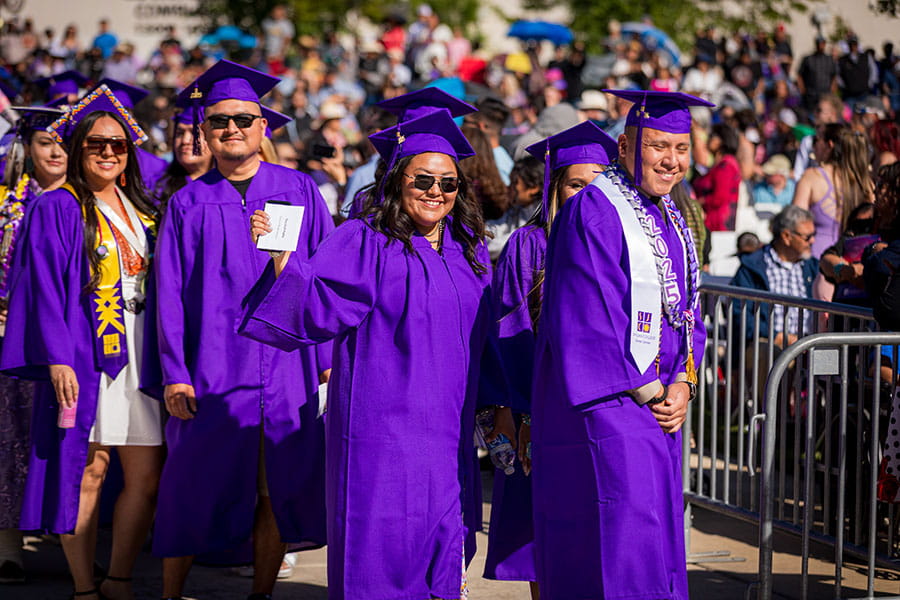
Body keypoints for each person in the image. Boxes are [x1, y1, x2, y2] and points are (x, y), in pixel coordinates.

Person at [239, 99, 492, 600]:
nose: (435, 191)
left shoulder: (469, 249)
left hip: (447, 430)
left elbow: (489, 334)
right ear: (398, 179)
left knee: (444, 548)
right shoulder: (366, 239)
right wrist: (283, 260)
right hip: (384, 432)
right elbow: (315, 301)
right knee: (382, 550)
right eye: (422, 179)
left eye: (448, 182)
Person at [151, 60, 331, 600]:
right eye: (220, 122)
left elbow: (325, 277)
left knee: (275, 487)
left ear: (264, 126)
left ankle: (261, 594)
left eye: (244, 120)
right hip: (212, 369)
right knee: (190, 484)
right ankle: (169, 594)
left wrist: (325, 360)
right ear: (203, 130)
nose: (233, 129)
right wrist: (175, 373)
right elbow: (169, 295)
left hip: (286, 367)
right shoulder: (187, 203)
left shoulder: (298, 189)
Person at [530, 90, 709, 599]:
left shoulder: (669, 215)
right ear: (626, 145)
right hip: (612, 402)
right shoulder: (594, 210)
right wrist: (651, 389)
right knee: (622, 533)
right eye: (657, 146)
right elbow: (588, 314)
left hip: (658, 404)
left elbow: (687, 307)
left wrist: (683, 380)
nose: (670, 160)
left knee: (654, 532)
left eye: (680, 147)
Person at [0, 86, 162, 600]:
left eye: (117, 144)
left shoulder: (141, 207)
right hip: (89, 355)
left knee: (145, 472)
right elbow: (44, 286)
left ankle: (119, 576)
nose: (108, 152)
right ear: (78, 148)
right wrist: (56, 357)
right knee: (89, 468)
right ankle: (84, 586)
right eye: (96, 144)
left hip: (143, 354)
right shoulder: (59, 205)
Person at [484, 121, 618, 599]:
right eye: (576, 184)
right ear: (555, 187)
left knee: (598, 527)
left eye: (599, 183)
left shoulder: (620, 248)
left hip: (601, 410)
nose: (587, 194)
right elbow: (512, 335)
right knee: (543, 529)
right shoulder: (531, 244)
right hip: (540, 408)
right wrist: (520, 411)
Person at [0, 105, 67, 584]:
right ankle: (8, 551)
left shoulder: (82, 203)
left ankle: (71, 546)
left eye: (65, 141)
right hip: (11, 341)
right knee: (9, 443)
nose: (57, 150)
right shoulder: (7, 206)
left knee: (57, 443)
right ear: (28, 148)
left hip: (67, 341)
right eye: (47, 142)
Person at [793, 125, 875, 299]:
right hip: (855, 268)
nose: (814, 146)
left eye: (817, 141)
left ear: (830, 145)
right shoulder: (865, 183)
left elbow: (795, 222)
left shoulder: (812, 177)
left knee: (817, 324)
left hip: (819, 267)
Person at [730, 205, 818, 343]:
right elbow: (739, 313)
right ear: (787, 236)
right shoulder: (753, 266)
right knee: (767, 354)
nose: (813, 241)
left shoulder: (813, 267)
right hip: (766, 342)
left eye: (814, 235)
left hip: (809, 345)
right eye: (807, 237)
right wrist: (776, 336)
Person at [153, 101, 211, 211]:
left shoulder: (228, 186)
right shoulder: (157, 188)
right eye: (179, 133)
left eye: (195, 133)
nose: (185, 140)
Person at [694, 123, 742, 231]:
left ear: (721, 141)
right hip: (714, 221)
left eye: (712, 136)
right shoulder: (721, 164)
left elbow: (719, 198)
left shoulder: (726, 166)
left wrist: (698, 202)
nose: (708, 139)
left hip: (717, 223)